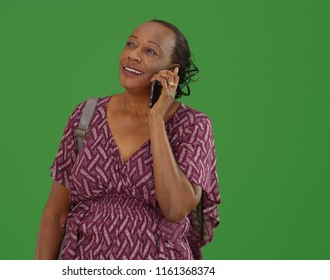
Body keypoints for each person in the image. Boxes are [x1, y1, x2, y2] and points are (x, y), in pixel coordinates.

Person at [35, 19, 220, 260]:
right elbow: (56, 214)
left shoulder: (192, 125)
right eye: (130, 44)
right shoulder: (87, 116)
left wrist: (156, 119)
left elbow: (175, 209)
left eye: (150, 51)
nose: (133, 55)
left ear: (172, 71)